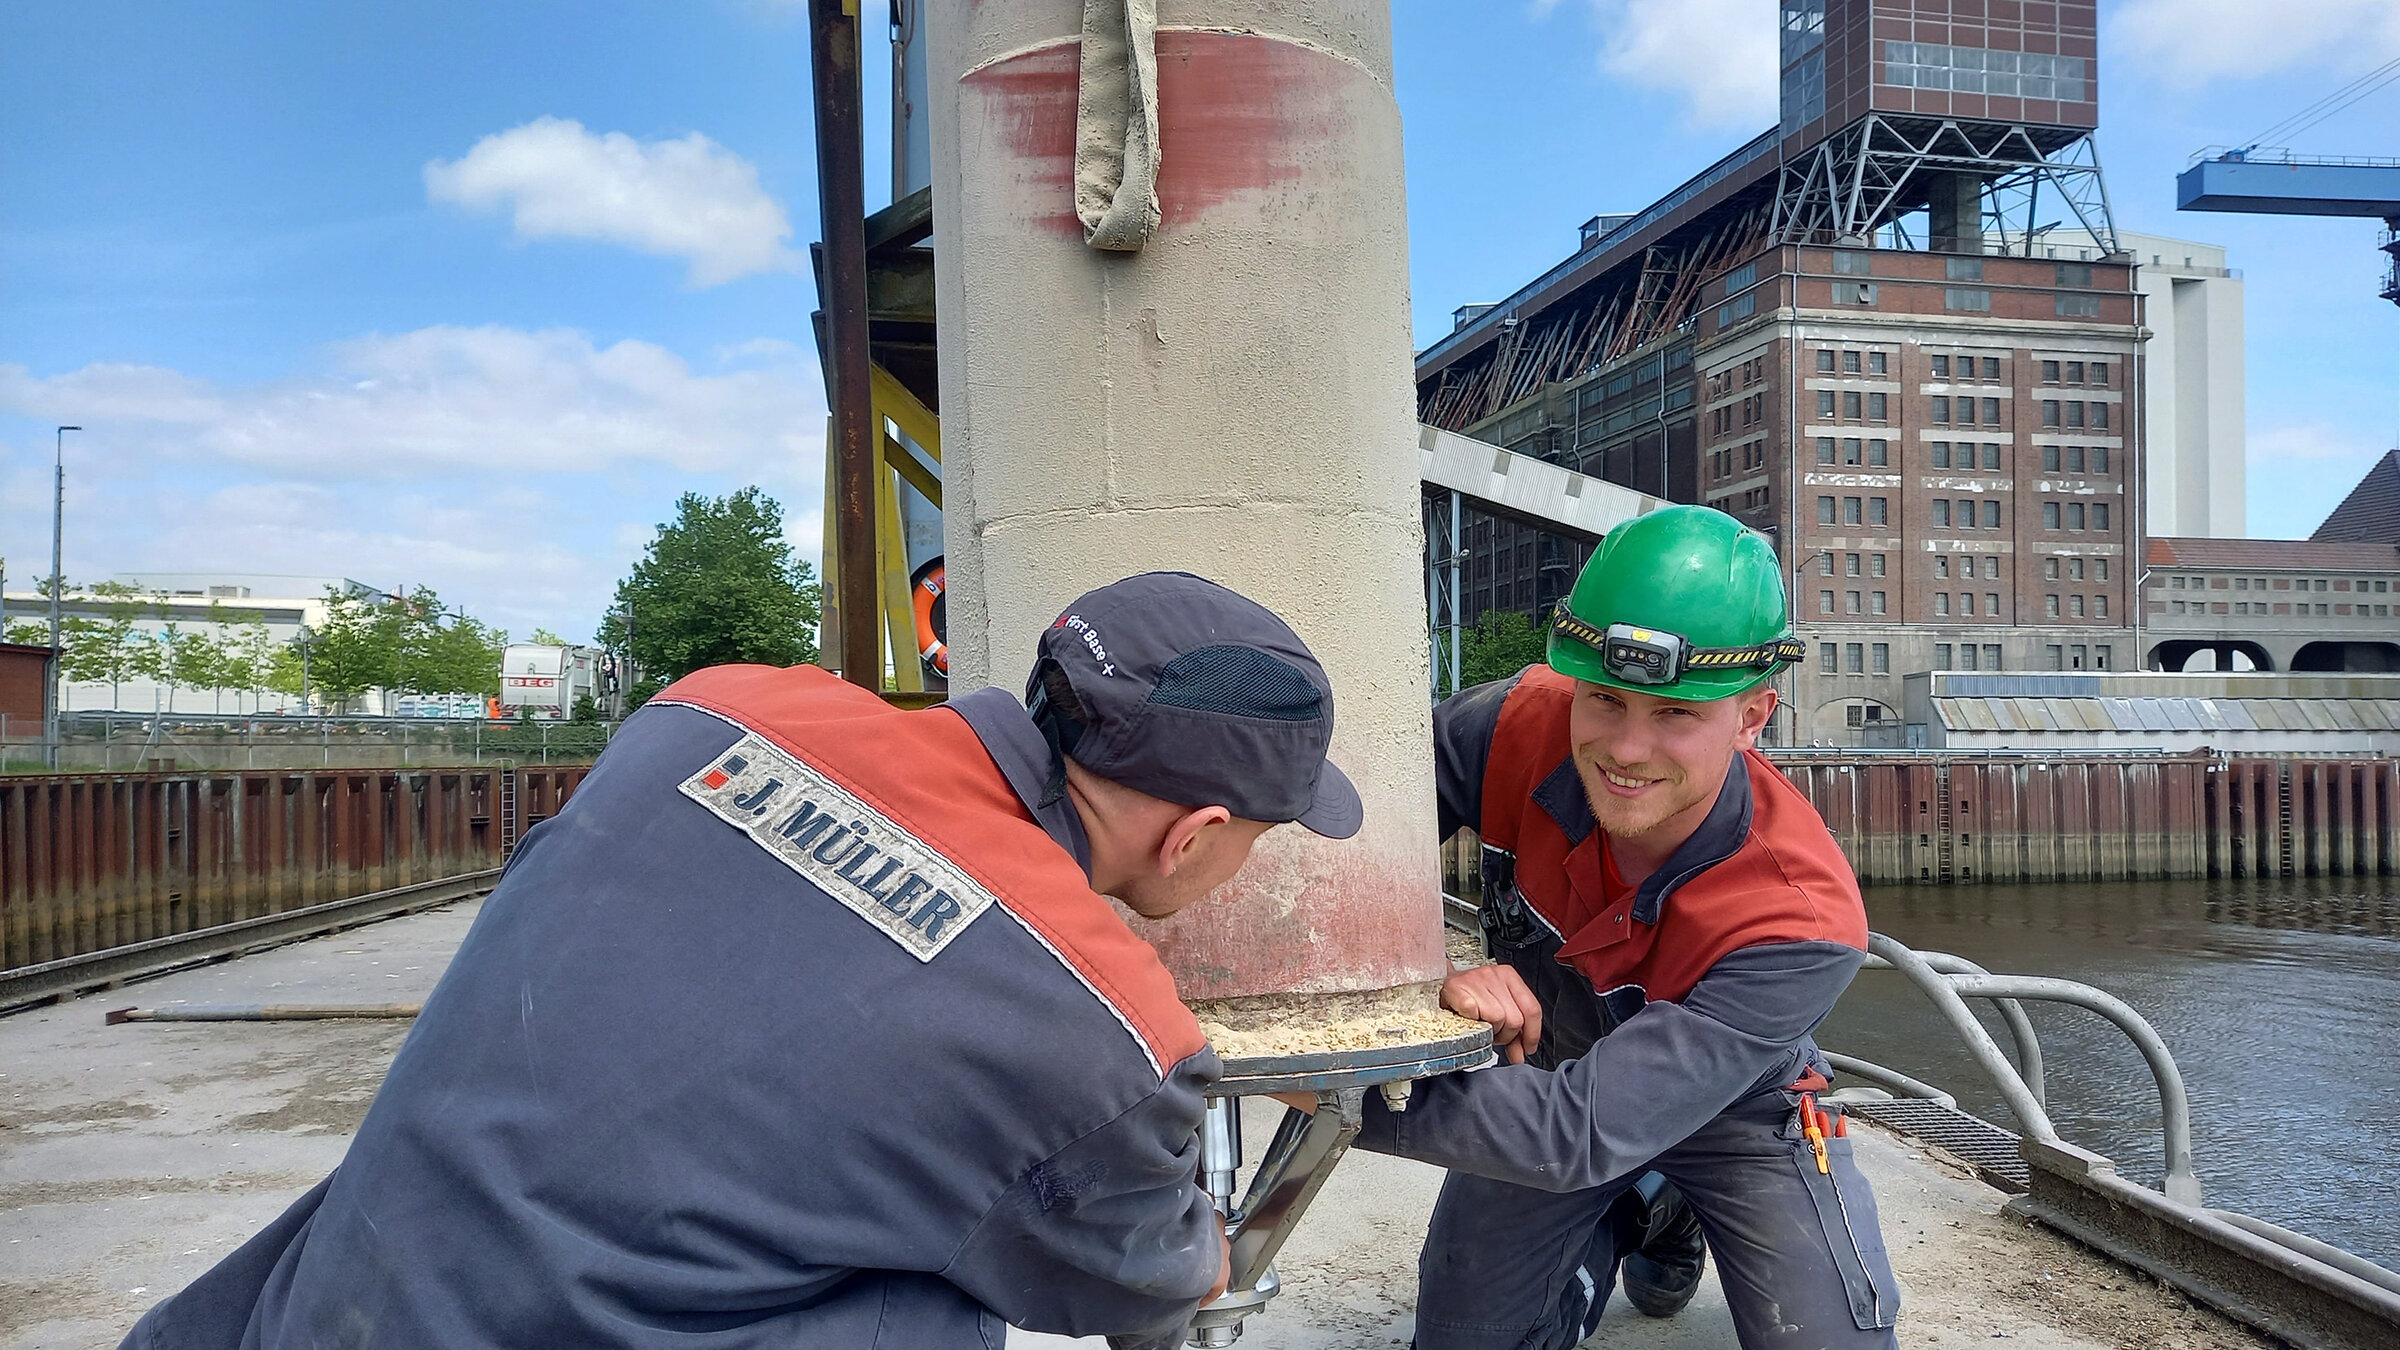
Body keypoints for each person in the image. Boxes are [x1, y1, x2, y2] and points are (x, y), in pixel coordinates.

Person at [121, 571, 1365, 1350]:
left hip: (314, 1307)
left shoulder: (712, 709)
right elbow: (1151, 1281)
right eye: (1257, 839)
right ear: (1199, 832)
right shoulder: (1108, 1030)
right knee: (946, 1295)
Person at [1357, 505, 1900, 1349]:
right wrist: (1428, 970)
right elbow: (1340, 860)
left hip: (1733, 1109)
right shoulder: (1507, 728)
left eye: (1676, 715)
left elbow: (1576, 1133)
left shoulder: (1804, 919)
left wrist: (1330, 1091)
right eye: (1604, 699)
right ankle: (1628, 1211)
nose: (1627, 748)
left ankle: (1662, 1201)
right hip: (1548, 1068)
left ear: (1755, 714)